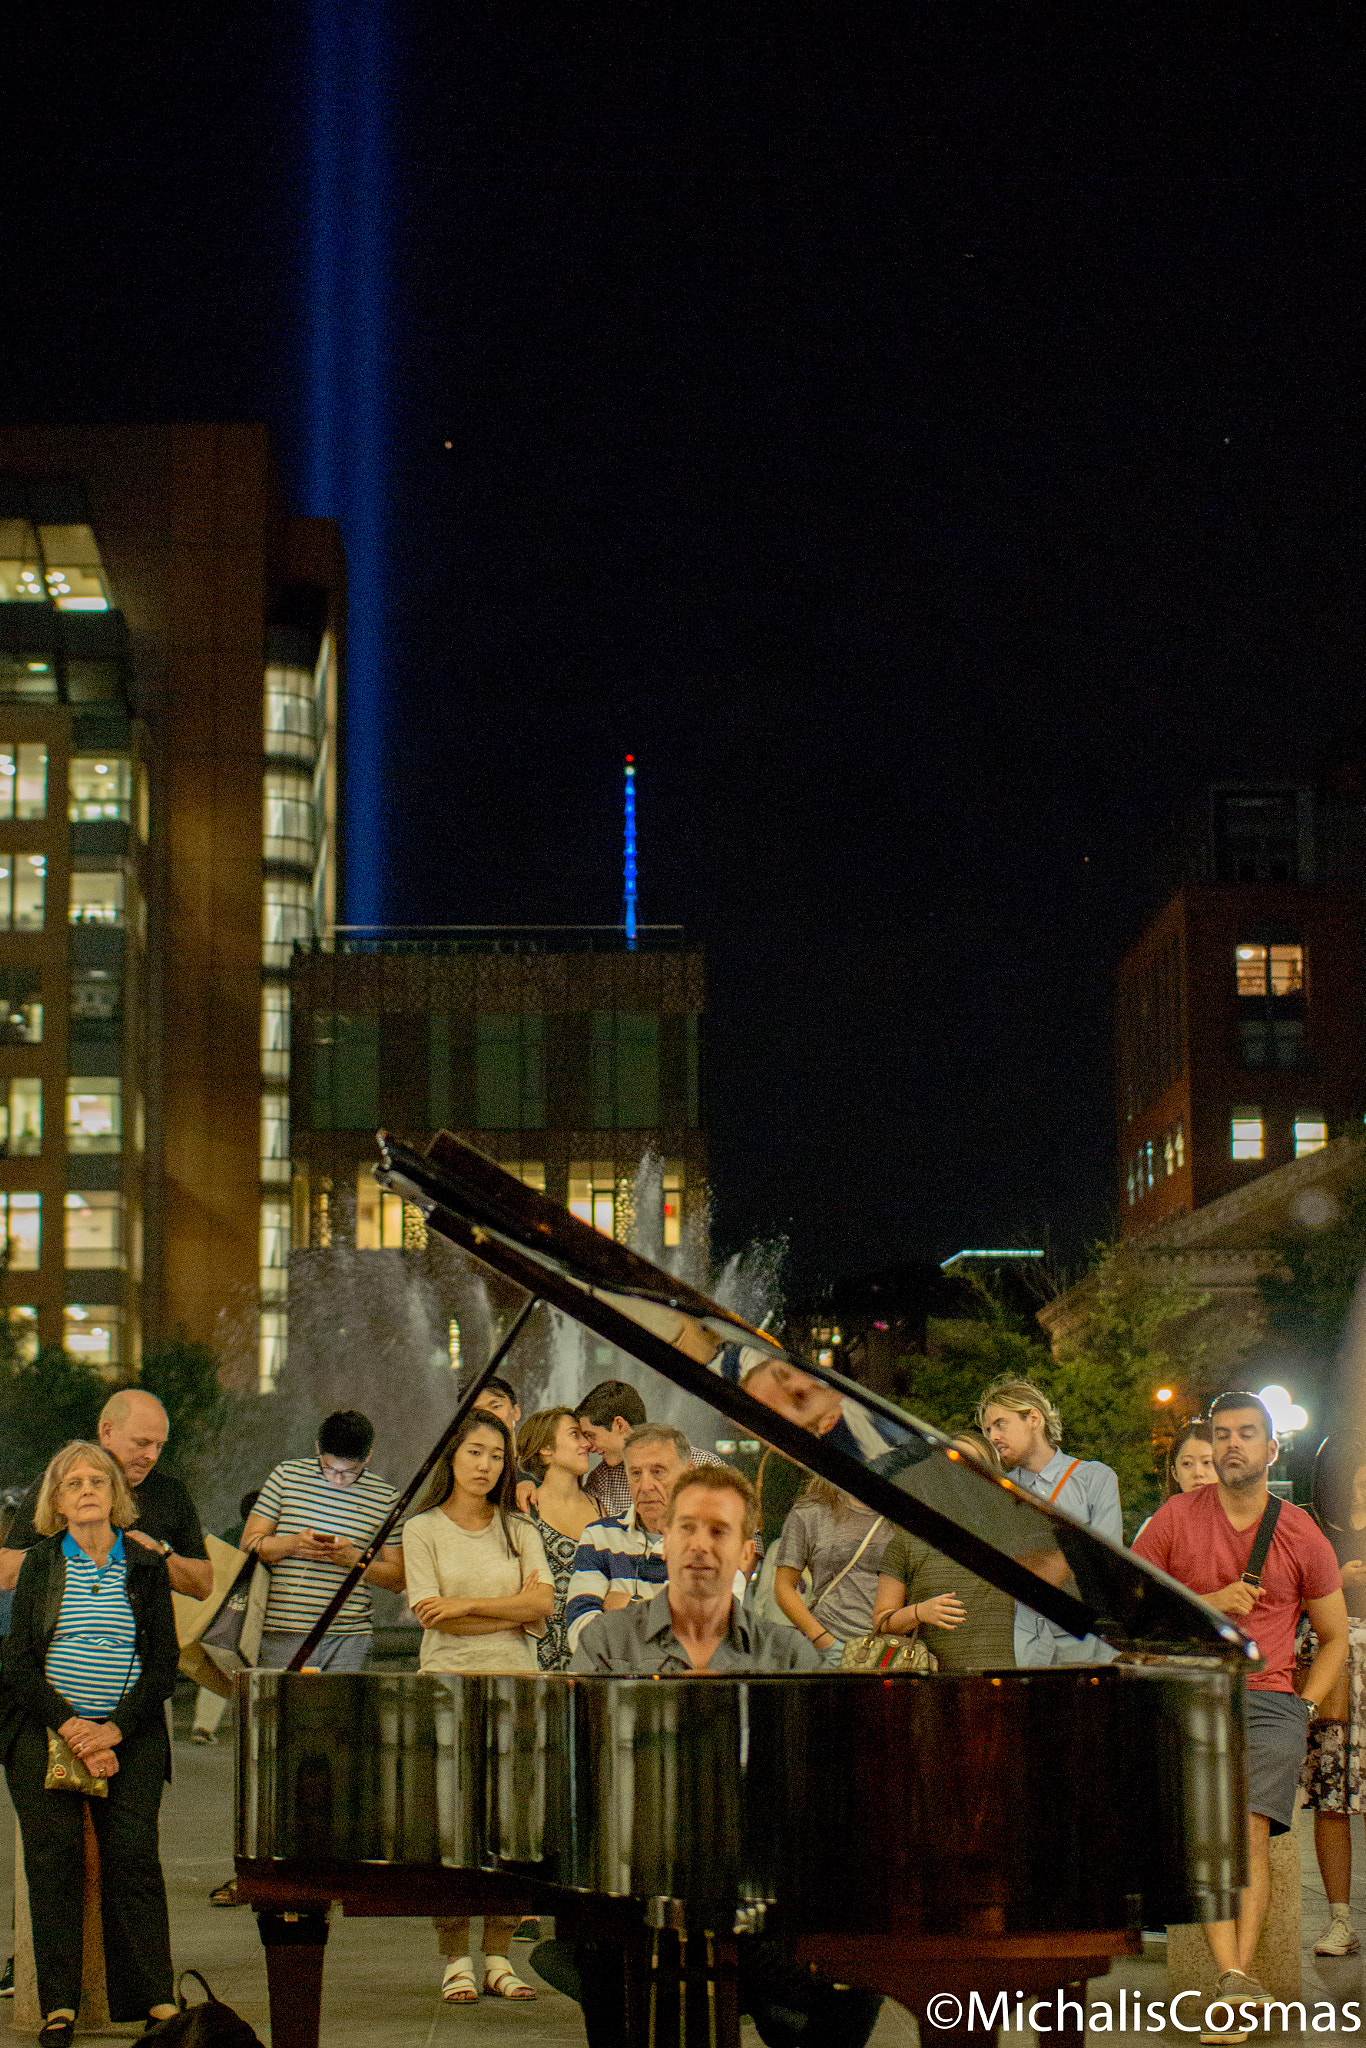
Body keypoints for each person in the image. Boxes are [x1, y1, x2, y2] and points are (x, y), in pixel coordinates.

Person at [558, 1467, 879, 2048]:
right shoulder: (606, 1642)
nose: (700, 1545)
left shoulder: (786, 1653)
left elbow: (820, 1783)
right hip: (632, 1880)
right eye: (687, 1528)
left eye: (719, 1531)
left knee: (857, 1978)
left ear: (747, 1553)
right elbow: (576, 1771)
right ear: (664, 1541)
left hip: (760, 1891)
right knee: (602, 1942)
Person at [1133, 1391, 1348, 2007]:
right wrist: (1208, 1605)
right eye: (1222, 1434)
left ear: (1271, 1448)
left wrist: (1304, 1706)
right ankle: (1233, 1978)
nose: (1232, 1445)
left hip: (1268, 1697)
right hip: (1190, 1689)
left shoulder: (1299, 1529)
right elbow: (1136, 1614)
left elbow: (1333, 1637)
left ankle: (1235, 1974)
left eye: (1247, 1434)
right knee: (1207, 1827)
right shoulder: (1176, 1517)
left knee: (1249, 1825)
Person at [1, 1441, 180, 2044]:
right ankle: (59, 2006)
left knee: (133, 1860)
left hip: (129, 1734)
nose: (85, 1491)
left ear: (115, 1495)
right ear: (56, 1500)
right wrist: (75, 1729)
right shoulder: (41, 1564)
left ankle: (155, 1999)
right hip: (45, 1730)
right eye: (72, 1483)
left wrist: (114, 1730)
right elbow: (18, 1663)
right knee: (54, 1865)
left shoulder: (146, 1564)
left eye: (96, 1482)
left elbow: (162, 1664)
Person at [402, 1406, 553, 2006]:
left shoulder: (520, 1530)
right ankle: (453, 1958)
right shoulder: (423, 1530)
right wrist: (502, 1606)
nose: (485, 1465)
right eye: (474, 1453)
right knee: (452, 1825)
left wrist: (464, 1606)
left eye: (496, 1455)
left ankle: (498, 1956)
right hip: (447, 1685)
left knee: (513, 1824)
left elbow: (541, 1606)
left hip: (517, 1685)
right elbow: (427, 1612)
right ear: (453, 1458)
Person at [0, 1389, 212, 1601]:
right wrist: (76, 1548)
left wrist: (160, 1553)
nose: (152, 1456)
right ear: (107, 1432)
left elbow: (204, 1587)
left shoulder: (170, 1492)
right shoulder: (59, 1482)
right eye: (142, 1443)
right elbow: (5, 1574)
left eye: (159, 1446)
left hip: (139, 1630)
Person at [977, 1377, 1122, 1666]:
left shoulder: (1094, 1477)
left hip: (1090, 1644)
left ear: (1033, 1418)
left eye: (1000, 1424)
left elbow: (1106, 1561)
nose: (992, 1436)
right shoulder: (997, 1491)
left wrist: (1053, 1561)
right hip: (1029, 1646)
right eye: (987, 1429)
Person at [565, 1426, 745, 1653]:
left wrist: (627, 1607)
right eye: (636, 1473)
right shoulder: (598, 1536)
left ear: (688, 1474)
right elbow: (581, 1636)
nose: (645, 1486)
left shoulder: (715, 1545)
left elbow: (707, 1638)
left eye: (658, 1472)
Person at [871, 1431, 1017, 1670]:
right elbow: (881, 1622)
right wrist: (919, 1612)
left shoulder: (1010, 1534)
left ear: (989, 1474)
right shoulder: (907, 1540)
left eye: (971, 1463)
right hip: (930, 1685)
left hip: (998, 1683)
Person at [1301, 1447, 1366, 1957]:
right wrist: (1338, 1582)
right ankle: (1339, 1919)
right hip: (1334, 1663)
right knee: (1332, 1794)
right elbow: (1290, 1595)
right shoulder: (1314, 1534)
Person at [772, 1476, 890, 1664]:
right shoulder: (811, 1511)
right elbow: (783, 1586)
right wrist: (823, 1640)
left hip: (886, 1648)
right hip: (829, 1645)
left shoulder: (902, 1514)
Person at [574, 1380, 725, 1521]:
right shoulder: (602, 1480)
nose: (589, 1446)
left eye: (591, 1435)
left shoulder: (706, 1466)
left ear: (619, 1425)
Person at [516, 1408, 595, 1670]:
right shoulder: (524, 1510)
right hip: (534, 1654)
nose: (586, 1444)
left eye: (585, 1436)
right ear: (546, 1449)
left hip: (590, 1653)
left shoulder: (601, 1509)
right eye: (575, 1435)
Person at [189, 1488, 260, 1744]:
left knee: (218, 1666)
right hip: (252, 1615)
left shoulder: (228, 1535)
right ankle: (255, 1728)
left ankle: (203, 1726)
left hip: (223, 1613)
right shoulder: (266, 1539)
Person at [1132, 1422, 1217, 1544]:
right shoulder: (1156, 1527)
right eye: (1187, 1463)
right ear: (1175, 1473)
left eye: (1207, 1462)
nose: (1198, 1472)